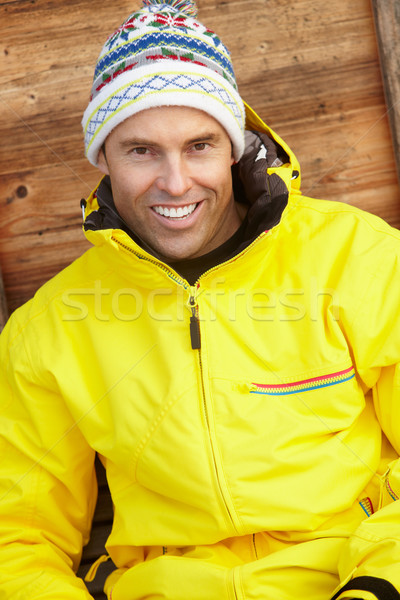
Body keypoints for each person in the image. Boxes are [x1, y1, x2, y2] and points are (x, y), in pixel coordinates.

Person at [1, 0, 400, 598]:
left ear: (234, 147)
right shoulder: (47, 332)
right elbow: (17, 538)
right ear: (102, 159)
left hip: (352, 578)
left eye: (199, 146)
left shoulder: (357, 257)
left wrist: (380, 584)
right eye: (140, 150)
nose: (176, 182)